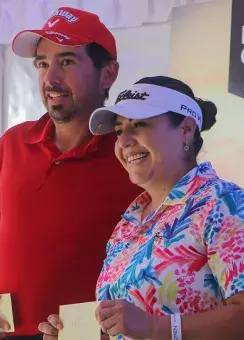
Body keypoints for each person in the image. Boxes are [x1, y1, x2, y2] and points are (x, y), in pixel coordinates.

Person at [0, 6, 143, 340]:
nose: (51, 78)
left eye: (67, 61)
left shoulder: (132, 155)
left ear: (108, 73)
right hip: (2, 334)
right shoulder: (13, 142)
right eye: (42, 63)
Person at [39, 76, 244, 340]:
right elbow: (127, 331)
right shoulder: (129, 222)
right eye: (119, 130)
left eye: (139, 125)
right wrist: (79, 337)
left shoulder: (225, 204)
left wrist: (156, 328)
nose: (124, 142)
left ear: (186, 129)